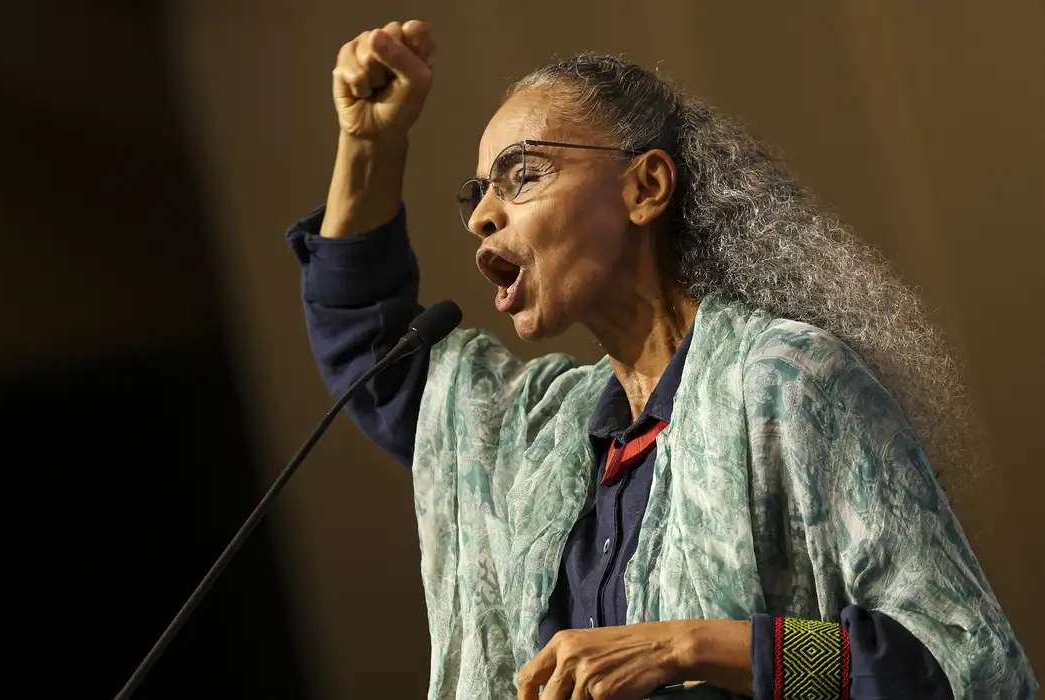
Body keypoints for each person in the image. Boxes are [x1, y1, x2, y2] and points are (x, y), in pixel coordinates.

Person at [287, 20, 1036, 700]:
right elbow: (375, 356)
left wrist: (689, 647)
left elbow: (957, 668)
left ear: (645, 187)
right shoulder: (532, 435)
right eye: (479, 193)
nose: (484, 214)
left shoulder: (785, 381)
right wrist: (368, 142)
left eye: (522, 175)